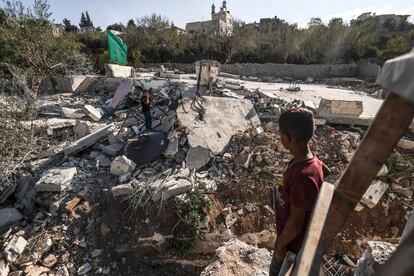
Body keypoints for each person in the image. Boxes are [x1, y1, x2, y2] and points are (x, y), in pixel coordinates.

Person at [270, 108, 327, 276]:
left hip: (291, 249)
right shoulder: (307, 161)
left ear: (288, 138)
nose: (280, 138)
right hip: (289, 243)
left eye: (281, 134)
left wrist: (280, 246)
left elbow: (295, 224)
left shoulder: (303, 176)